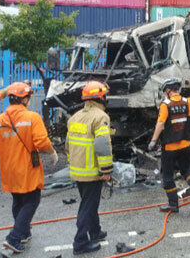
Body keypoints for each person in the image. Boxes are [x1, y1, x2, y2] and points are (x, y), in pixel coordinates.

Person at [0, 82, 58, 253]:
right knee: (32, 200)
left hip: (8, 170)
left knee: (18, 200)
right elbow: (42, 142)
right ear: (24, 100)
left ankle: (23, 233)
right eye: (28, 98)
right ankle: (14, 237)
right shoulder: (32, 118)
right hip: (26, 169)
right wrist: (53, 152)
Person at [66, 81, 113, 255]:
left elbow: (67, 145)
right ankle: (80, 243)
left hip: (77, 170)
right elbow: (102, 145)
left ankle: (95, 231)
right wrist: (106, 169)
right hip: (92, 171)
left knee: (89, 202)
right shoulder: (101, 117)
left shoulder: (75, 117)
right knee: (88, 206)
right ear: (101, 97)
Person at [147, 78, 190, 212]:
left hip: (170, 147)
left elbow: (160, 124)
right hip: (185, 145)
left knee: (167, 176)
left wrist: (153, 141)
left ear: (168, 90)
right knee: (187, 170)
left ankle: (173, 204)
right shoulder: (187, 102)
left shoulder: (165, 105)